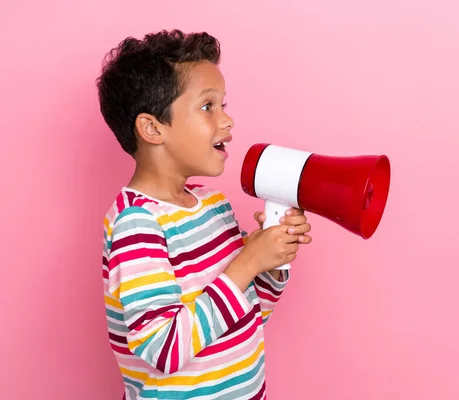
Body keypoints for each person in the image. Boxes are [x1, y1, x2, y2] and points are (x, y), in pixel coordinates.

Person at [97, 29, 312, 400]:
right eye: (207, 106)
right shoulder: (138, 224)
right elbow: (163, 350)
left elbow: (249, 314)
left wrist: (272, 261)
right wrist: (247, 261)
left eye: (224, 105)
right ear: (152, 128)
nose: (227, 122)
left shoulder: (214, 205)